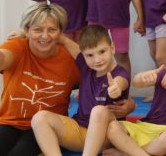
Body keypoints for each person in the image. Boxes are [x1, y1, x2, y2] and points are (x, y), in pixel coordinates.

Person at [0, 3, 82, 156]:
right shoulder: (17, 46)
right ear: (26, 30)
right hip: (8, 121)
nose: (45, 36)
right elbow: (3, 58)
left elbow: (93, 67)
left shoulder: (69, 58)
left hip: (45, 127)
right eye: (38, 30)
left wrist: (64, 40)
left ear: (60, 32)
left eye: (52, 30)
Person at [31, 25, 130, 156]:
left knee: (99, 111)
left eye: (102, 52)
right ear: (84, 56)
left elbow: (121, 81)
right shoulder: (86, 66)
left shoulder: (120, 73)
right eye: (90, 55)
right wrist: (26, 34)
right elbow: (63, 39)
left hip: (107, 135)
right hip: (81, 131)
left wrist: (116, 88)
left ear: (112, 48)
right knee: (39, 118)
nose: (97, 60)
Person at [104, 37, 166, 156]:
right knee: (112, 127)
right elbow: (136, 83)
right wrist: (142, 77)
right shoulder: (165, 74)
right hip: (145, 126)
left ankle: (127, 153)